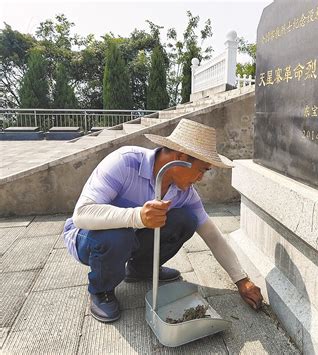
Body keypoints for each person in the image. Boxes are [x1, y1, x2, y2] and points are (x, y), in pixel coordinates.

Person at [62, 119, 263, 323]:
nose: (201, 177)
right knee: (119, 233)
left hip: (129, 238)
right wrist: (137, 216)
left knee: (186, 219)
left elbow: (212, 235)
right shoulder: (125, 162)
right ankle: (101, 289)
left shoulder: (184, 193)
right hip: (88, 237)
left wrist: (241, 280)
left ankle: (140, 270)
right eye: (202, 169)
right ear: (181, 157)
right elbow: (83, 214)